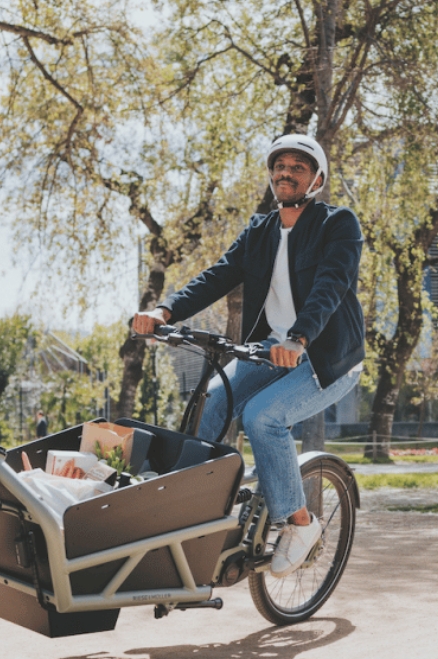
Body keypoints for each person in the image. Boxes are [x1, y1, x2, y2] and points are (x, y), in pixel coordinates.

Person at [132, 133, 364, 579]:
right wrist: (164, 310)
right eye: (280, 165)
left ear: (316, 179)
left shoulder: (338, 224)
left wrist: (299, 338)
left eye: (298, 167)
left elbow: (330, 286)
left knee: (263, 417)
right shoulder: (260, 230)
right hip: (268, 350)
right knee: (214, 401)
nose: (286, 173)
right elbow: (218, 275)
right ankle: (199, 510)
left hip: (325, 358)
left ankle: (300, 524)